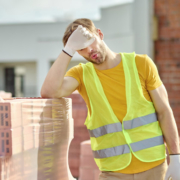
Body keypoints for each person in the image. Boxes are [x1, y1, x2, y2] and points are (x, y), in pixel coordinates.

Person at [41, 18, 180, 180]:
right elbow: (49, 92)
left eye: (89, 41)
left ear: (99, 34)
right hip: (113, 172)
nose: (89, 50)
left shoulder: (141, 64)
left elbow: (164, 112)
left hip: (154, 167)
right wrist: (68, 49)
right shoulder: (80, 75)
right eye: (81, 48)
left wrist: (176, 156)